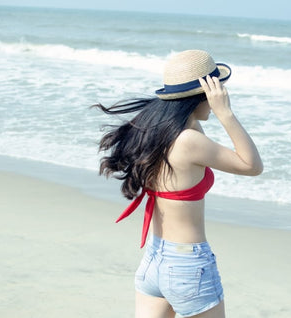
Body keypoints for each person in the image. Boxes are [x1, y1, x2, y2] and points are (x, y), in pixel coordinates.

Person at [93, 50, 263, 318]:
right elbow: (252, 165)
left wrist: (197, 106)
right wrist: (225, 113)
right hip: (188, 266)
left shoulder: (156, 132)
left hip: (154, 261)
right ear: (203, 95)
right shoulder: (189, 142)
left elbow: (193, 128)